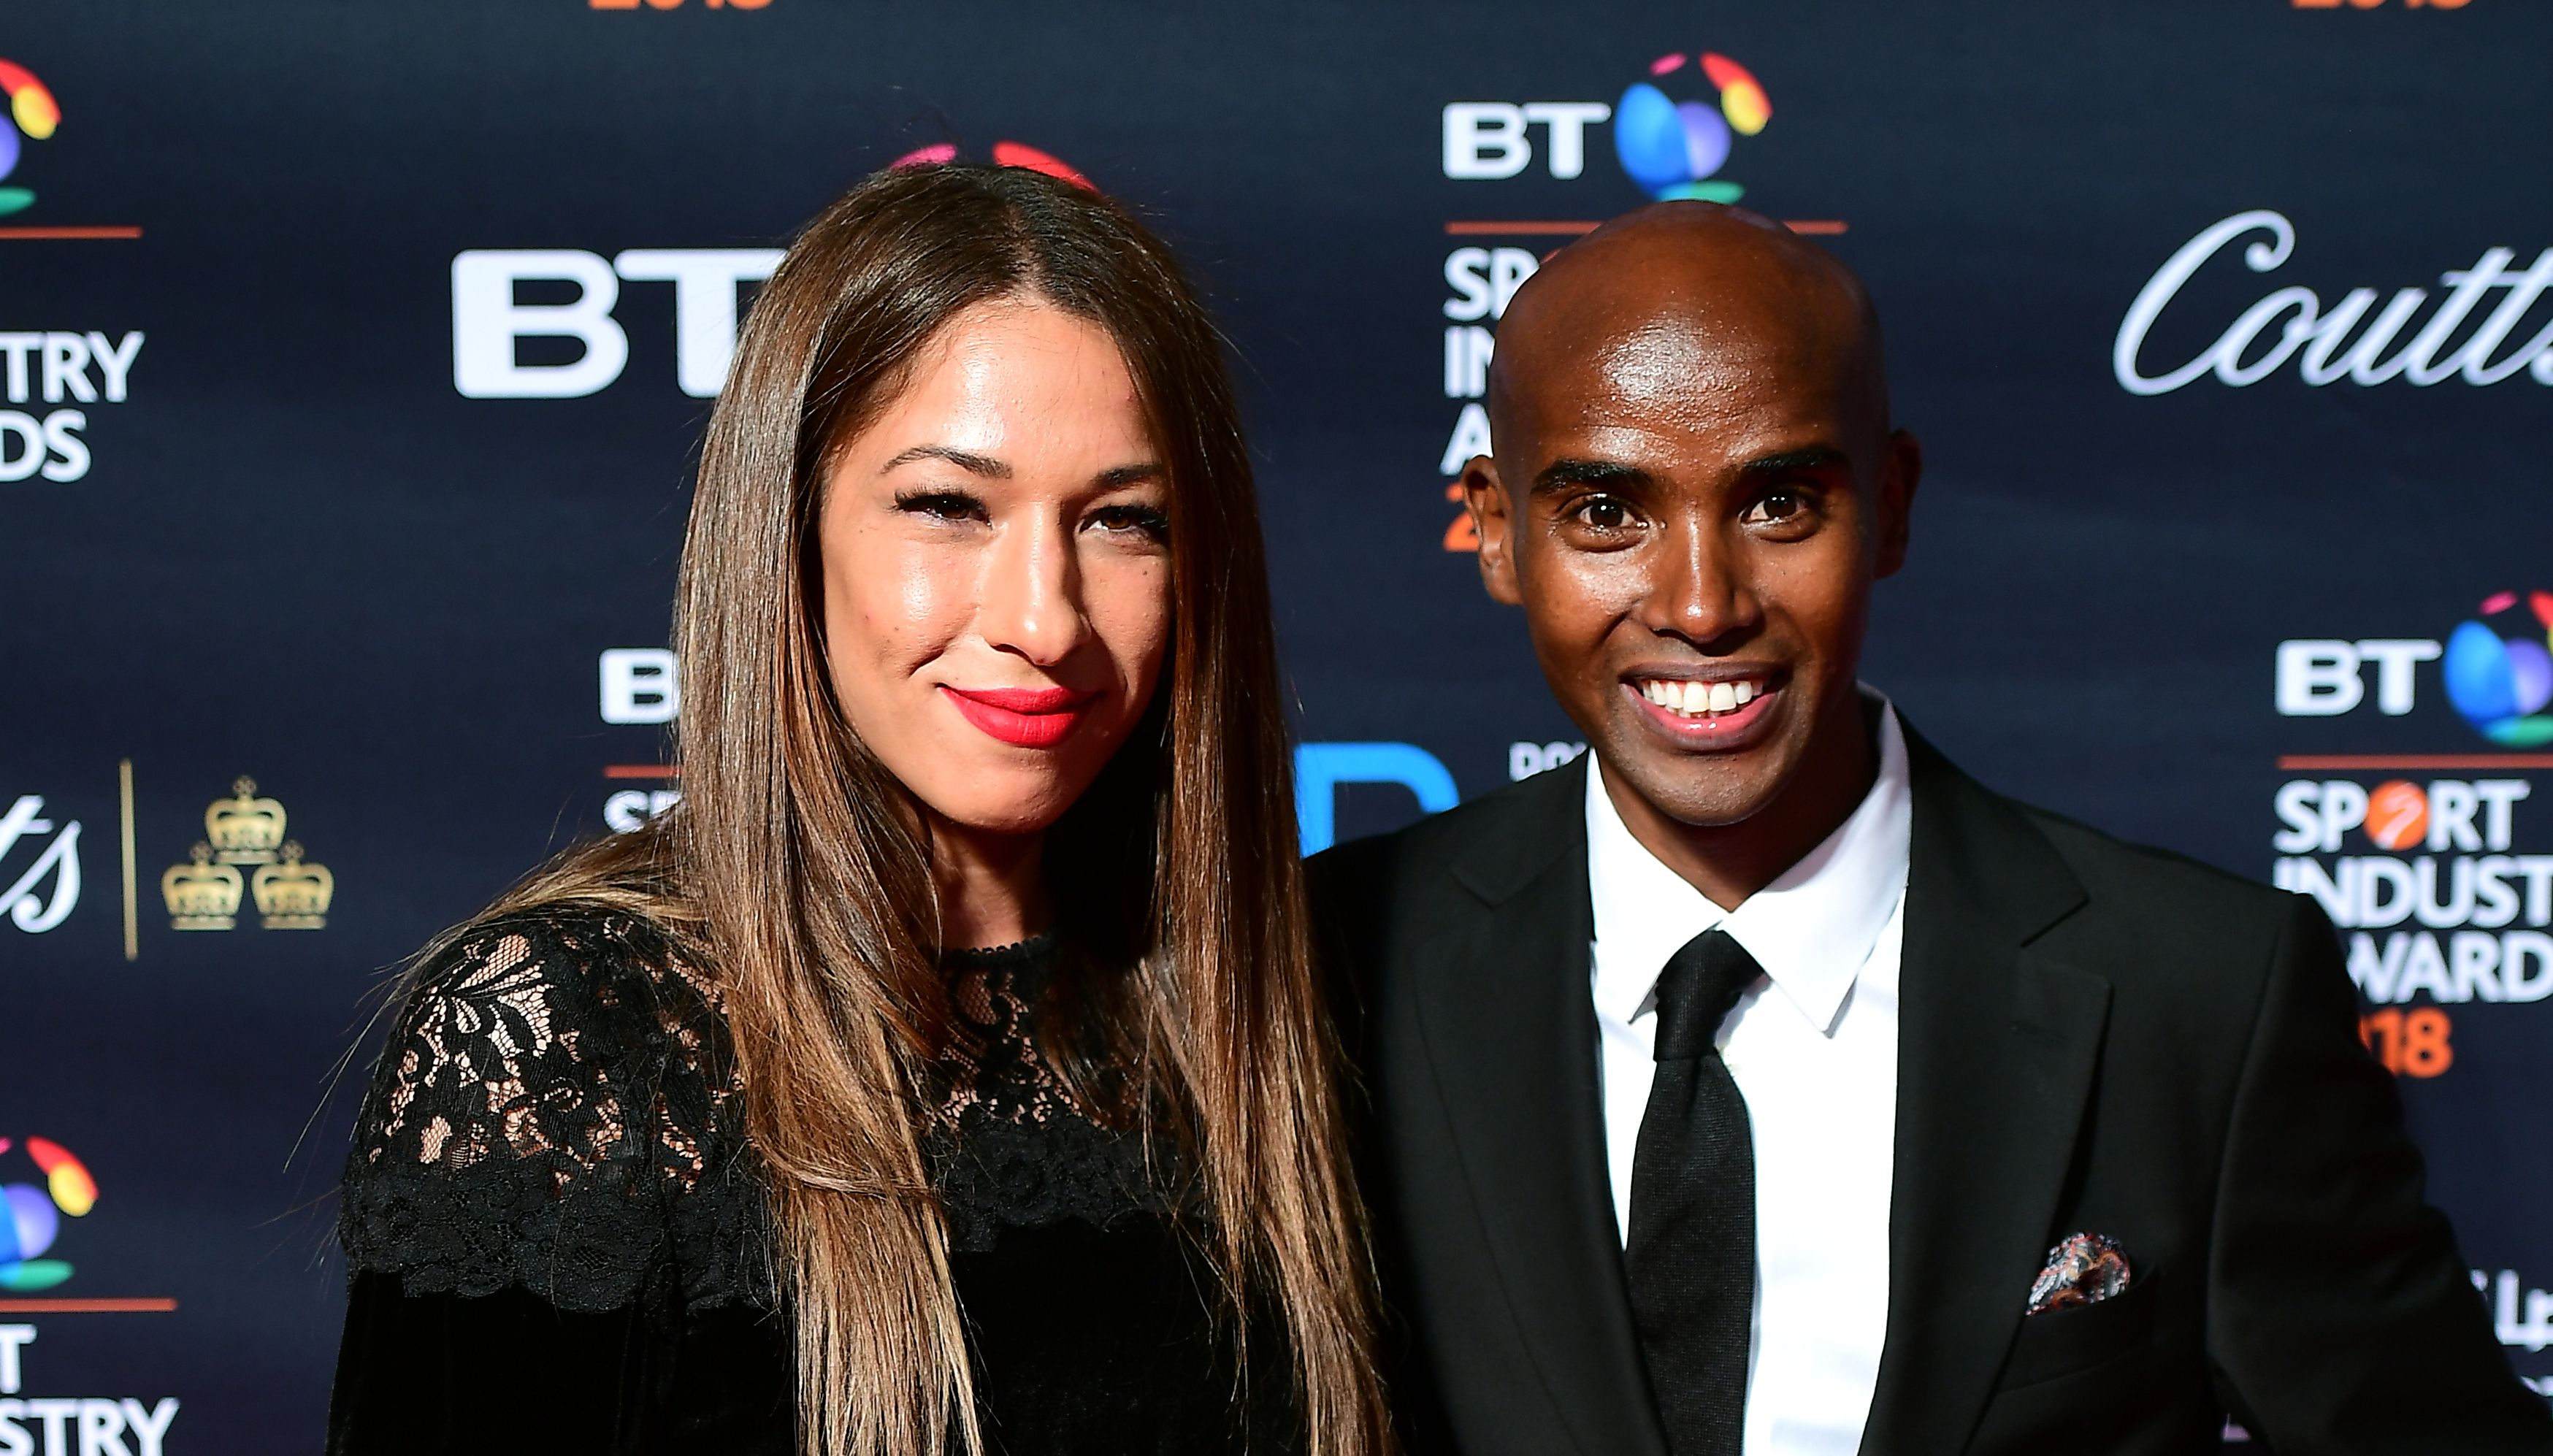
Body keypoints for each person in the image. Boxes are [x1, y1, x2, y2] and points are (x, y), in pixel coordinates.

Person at [1310, 203, 2552, 1456]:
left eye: (1779, 502)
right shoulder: (1327, 966)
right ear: (1496, 530)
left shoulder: (2204, 994)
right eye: (1606, 514)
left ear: (1890, 508)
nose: (1700, 604)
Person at [329, 163, 1388, 1456]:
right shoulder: (581, 1037)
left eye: (1123, 521)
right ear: (789, 531)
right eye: (949, 506)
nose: (1043, 619)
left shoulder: (1259, 1011)